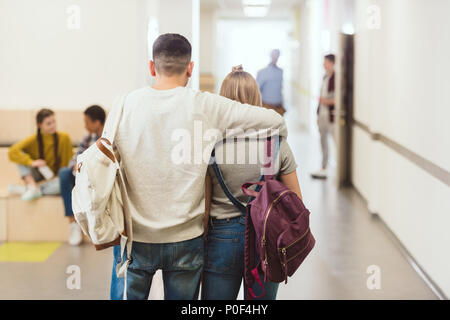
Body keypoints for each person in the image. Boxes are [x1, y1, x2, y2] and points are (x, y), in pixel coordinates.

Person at [110, 33, 288, 300]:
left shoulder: (124, 105)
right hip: (185, 238)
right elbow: (274, 121)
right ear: (190, 68)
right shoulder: (205, 105)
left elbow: (103, 161)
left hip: (137, 237)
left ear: (151, 66)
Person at [201, 65, 303, 300]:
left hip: (221, 238)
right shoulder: (276, 143)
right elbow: (295, 202)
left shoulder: (211, 144)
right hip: (265, 239)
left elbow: (204, 211)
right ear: (257, 97)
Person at [59, 105, 106, 246]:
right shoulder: (88, 138)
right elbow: (76, 157)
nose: (85, 126)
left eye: (87, 122)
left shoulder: (108, 138)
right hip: (82, 174)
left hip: (99, 177)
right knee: (63, 173)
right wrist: (75, 164)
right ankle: (73, 223)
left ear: (96, 122)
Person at [7, 108, 73, 201]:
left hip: (55, 179)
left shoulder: (64, 138)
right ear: (39, 125)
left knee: (63, 183)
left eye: (54, 122)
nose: (53, 125)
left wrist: (59, 178)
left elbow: (66, 165)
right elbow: (12, 151)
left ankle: (30, 190)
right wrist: (32, 162)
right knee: (20, 156)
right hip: (37, 176)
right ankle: (32, 186)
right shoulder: (34, 139)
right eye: (48, 123)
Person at [311, 54, 335, 179]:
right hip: (322, 115)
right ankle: (324, 167)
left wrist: (325, 101)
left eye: (325, 62)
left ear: (332, 63)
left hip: (332, 117)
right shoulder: (325, 77)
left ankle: (338, 169)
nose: (323, 65)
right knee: (323, 142)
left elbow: (337, 99)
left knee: (335, 142)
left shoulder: (336, 79)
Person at [256, 49, 285, 116]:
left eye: (277, 55)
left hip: (279, 106)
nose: (275, 57)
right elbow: (257, 91)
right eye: (274, 55)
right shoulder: (262, 72)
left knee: (278, 126)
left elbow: (280, 89)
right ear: (270, 56)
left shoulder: (280, 72)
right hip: (267, 106)